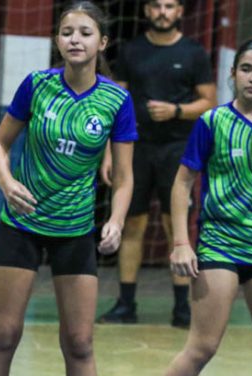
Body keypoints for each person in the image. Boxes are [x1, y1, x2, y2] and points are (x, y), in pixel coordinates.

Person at [0, 1, 135, 376]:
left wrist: (117, 221)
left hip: (76, 229)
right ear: (57, 41)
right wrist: (6, 182)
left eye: (85, 32)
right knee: (4, 334)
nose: (75, 39)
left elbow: (123, 179)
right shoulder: (36, 86)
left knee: (80, 342)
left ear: (102, 43)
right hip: (22, 223)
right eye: (66, 31)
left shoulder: (115, 101)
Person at [130, 40, 252, 376]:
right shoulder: (213, 122)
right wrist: (181, 242)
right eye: (247, 68)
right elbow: (182, 184)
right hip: (221, 243)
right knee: (203, 346)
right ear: (232, 74)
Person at [97, 0, 216, 328]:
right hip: (135, 149)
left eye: (169, 6)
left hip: (177, 150)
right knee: (131, 225)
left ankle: (182, 309)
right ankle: (125, 304)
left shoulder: (193, 52)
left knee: (173, 225)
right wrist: (109, 153)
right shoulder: (132, 51)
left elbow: (209, 101)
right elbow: (114, 103)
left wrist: (176, 111)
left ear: (180, 11)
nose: (162, 12)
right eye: (156, 5)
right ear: (146, 11)